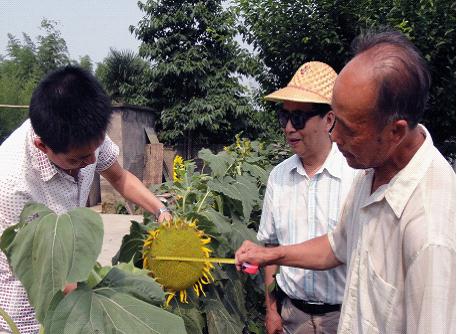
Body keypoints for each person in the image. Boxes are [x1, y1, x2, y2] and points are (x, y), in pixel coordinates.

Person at [236, 29, 455, 334]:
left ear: (395, 131)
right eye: (335, 120)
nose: (335, 136)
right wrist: (271, 254)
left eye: (348, 129)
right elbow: (337, 246)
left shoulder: (430, 229)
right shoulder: (371, 173)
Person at [0, 66, 172, 333]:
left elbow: (120, 177)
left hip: (69, 285)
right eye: (78, 159)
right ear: (42, 146)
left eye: (95, 150)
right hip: (23, 313)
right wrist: (102, 313)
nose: (92, 161)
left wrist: (161, 211)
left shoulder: (86, 137)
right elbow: (46, 269)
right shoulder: (11, 181)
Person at [257, 61, 357, 334]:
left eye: (298, 118)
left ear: (329, 119)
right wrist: (272, 309)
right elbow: (271, 247)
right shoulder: (278, 177)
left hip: (344, 317)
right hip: (293, 315)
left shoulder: (356, 176)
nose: (289, 127)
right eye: (284, 117)